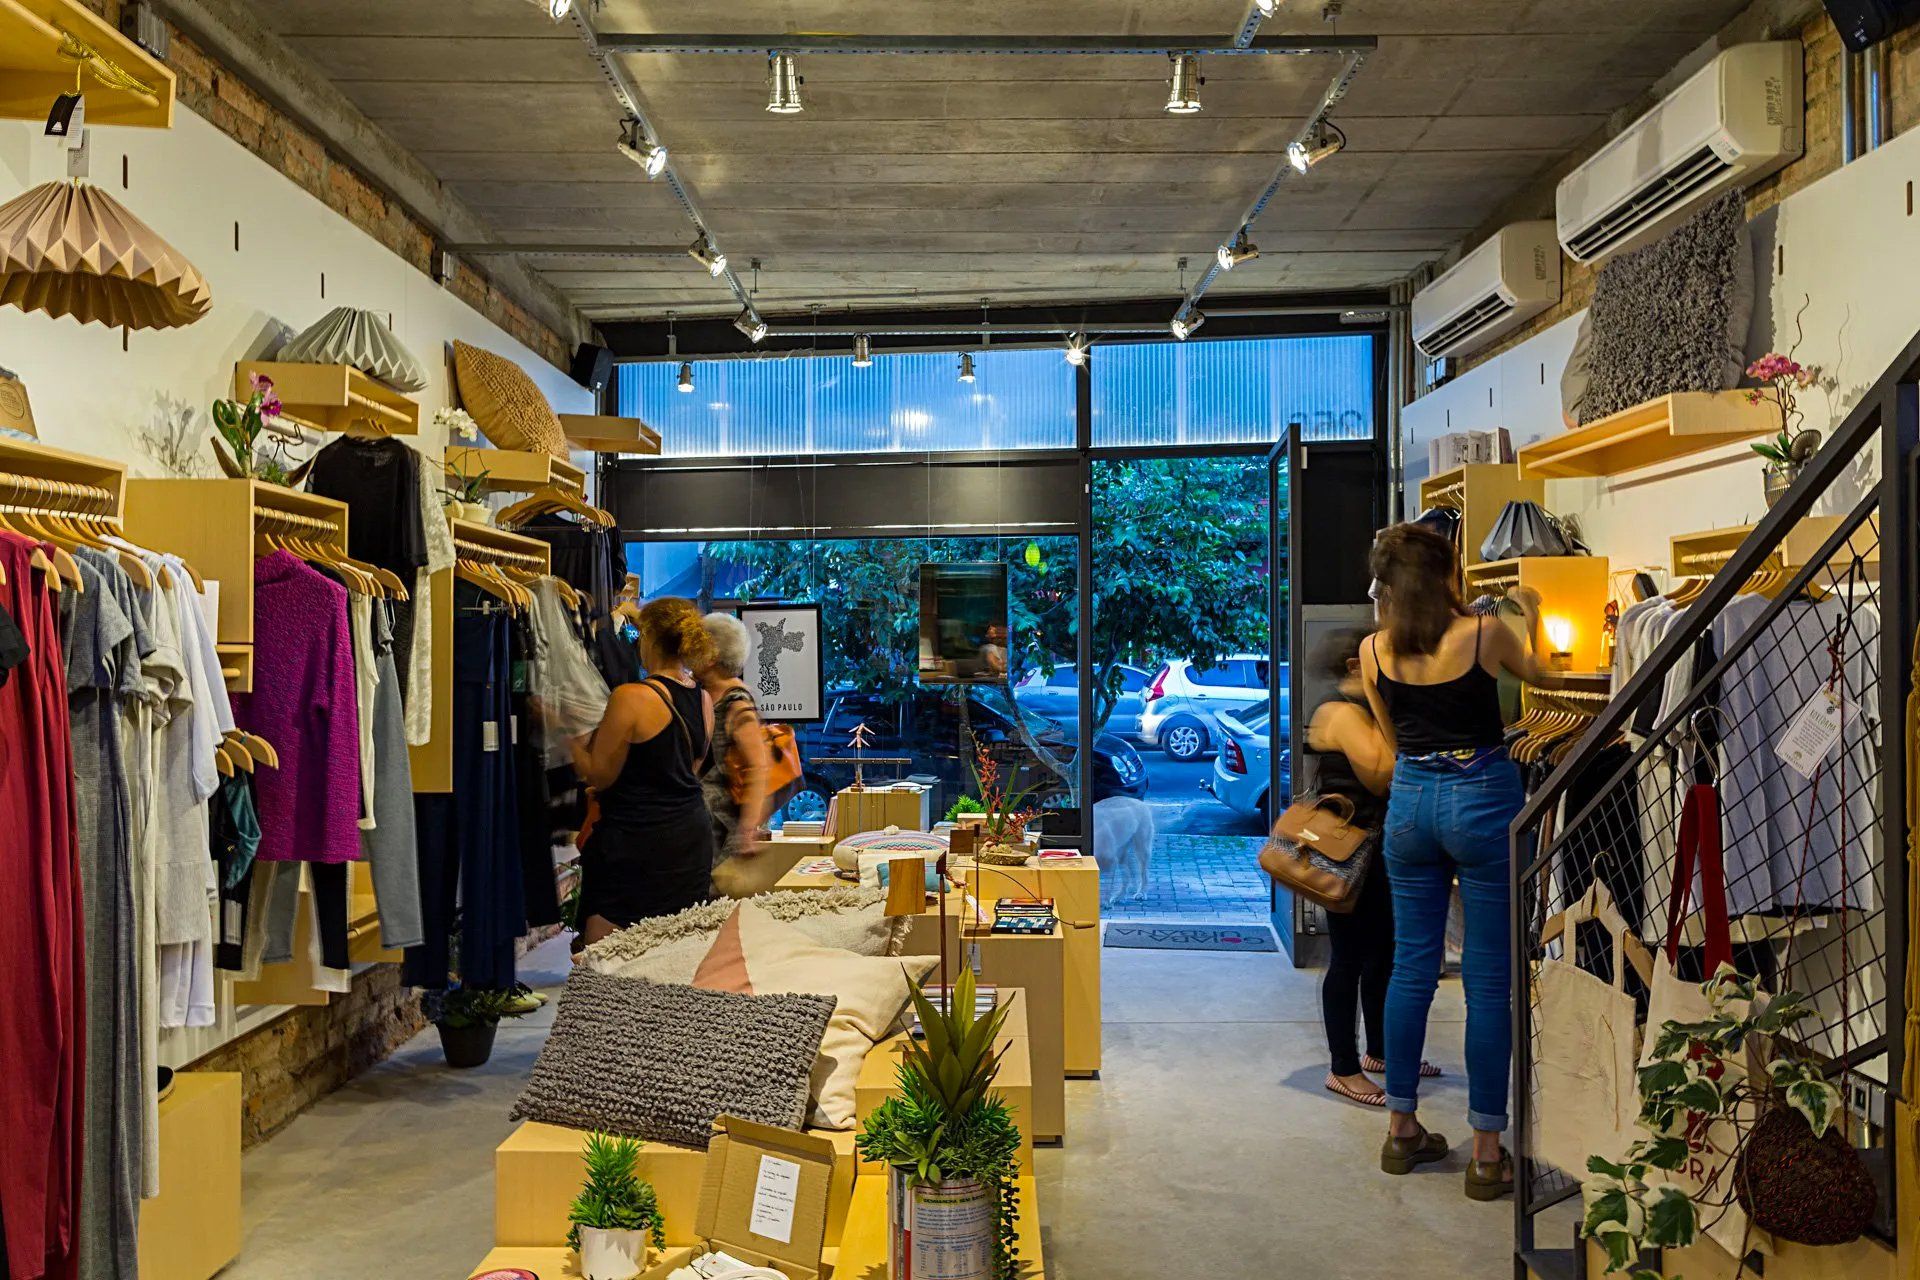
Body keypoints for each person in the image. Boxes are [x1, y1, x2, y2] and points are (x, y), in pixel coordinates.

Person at [1358, 521, 1556, 1201]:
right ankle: (1486, 1151)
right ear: (1445, 573)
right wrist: (1528, 611)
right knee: (1488, 978)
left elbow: (1393, 739)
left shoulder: (1373, 650)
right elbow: (1544, 677)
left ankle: (1402, 1128)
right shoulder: (1484, 634)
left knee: (1411, 968)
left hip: (1411, 803)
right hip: (1481, 798)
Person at [569, 597, 717, 943]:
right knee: (676, 942)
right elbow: (688, 768)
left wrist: (567, 736)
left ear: (649, 639)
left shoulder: (631, 697)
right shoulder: (703, 698)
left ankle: (606, 1000)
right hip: (690, 836)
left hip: (638, 838)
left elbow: (598, 774)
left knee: (606, 945)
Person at [1304, 628, 1404, 1108]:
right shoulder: (1340, 712)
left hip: (1373, 850)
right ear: (1354, 665)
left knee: (1382, 952)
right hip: (1347, 851)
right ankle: (1342, 1067)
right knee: (1347, 957)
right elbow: (1381, 774)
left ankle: (1380, 1052)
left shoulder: (1362, 710)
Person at [695, 611, 774, 866]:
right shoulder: (707, 695)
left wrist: (747, 830)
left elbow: (758, 767)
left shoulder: (736, 703)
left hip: (722, 829)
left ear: (711, 656)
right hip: (704, 825)